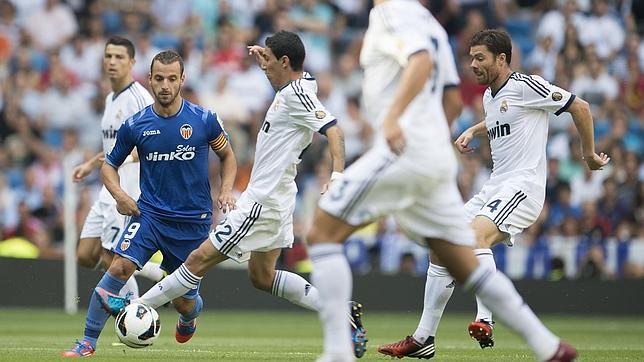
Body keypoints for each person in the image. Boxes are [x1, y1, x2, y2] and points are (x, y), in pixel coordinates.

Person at [306, 2, 586, 361]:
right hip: (432, 153)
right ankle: (546, 346)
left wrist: (394, 120)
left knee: (321, 233)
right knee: (453, 254)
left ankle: (336, 354)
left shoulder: (393, 13)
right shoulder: (432, 25)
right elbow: (452, 100)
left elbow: (420, 63)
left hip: (407, 147)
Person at [97, 30, 368, 359]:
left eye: (268, 60)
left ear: (285, 62)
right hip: (279, 197)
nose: (263, 66)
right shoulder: (298, 83)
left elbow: (334, 131)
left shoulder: (298, 94)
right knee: (262, 276)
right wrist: (262, 54)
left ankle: (135, 306)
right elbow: (291, 74)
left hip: (261, 202)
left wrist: (337, 175)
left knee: (197, 260)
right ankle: (341, 311)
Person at [377, 28, 609, 358]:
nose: (472, 64)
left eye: (479, 57)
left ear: (501, 59)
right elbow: (503, 114)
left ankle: (485, 318)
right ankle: (423, 339)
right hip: (495, 186)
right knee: (440, 243)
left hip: (522, 187)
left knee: (473, 239)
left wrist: (588, 154)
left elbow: (580, 107)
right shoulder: (490, 95)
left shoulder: (527, 85)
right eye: (471, 57)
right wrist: (473, 128)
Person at [62, 50, 238, 357]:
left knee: (183, 301)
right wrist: (120, 195)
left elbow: (228, 155)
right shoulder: (136, 124)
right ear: (150, 80)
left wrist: (226, 190)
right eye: (159, 79)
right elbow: (109, 165)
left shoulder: (204, 120)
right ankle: (88, 342)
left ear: (183, 79)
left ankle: (189, 314)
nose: (165, 85)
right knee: (118, 267)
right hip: (150, 216)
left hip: (192, 223)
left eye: (172, 78)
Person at [72, 36, 164, 299]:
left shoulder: (139, 98)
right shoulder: (112, 97)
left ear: (132, 62)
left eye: (119, 57)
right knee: (85, 256)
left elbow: (154, 139)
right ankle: (154, 272)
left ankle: (132, 316)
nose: (113, 62)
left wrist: (128, 157)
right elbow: (116, 144)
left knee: (111, 257)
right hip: (108, 185)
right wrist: (91, 164)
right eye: (109, 56)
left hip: (129, 187)